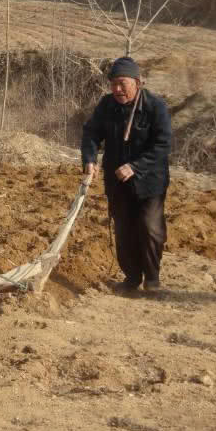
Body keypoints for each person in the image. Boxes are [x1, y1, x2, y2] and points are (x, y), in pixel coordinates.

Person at [81, 56, 172, 295]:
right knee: (123, 230)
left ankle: (152, 279)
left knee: (150, 228)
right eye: (113, 84)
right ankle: (131, 278)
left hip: (150, 182)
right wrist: (89, 159)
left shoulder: (155, 107)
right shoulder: (106, 105)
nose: (117, 89)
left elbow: (162, 146)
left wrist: (136, 166)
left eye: (122, 83)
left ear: (138, 83)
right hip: (117, 182)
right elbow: (91, 133)